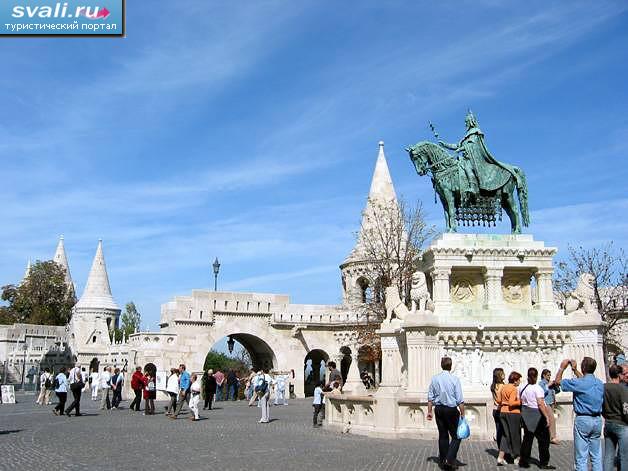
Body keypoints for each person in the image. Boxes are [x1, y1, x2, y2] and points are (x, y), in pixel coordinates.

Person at [554, 357, 604, 471]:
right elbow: (585, 380)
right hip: (597, 420)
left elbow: (558, 382)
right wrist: (575, 370)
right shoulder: (599, 383)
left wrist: (562, 367)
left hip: (583, 419)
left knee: (581, 457)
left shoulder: (579, 383)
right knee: (596, 456)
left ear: (584, 367)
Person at [427, 357, 464, 471]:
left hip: (439, 409)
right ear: (451, 366)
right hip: (451, 410)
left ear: (441, 365)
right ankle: (449, 458)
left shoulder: (435, 379)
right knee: (456, 436)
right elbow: (459, 399)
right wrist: (462, 413)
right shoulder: (454, 379)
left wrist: (429, 411)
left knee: (443, 435)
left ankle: (443, 461)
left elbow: (430, 397)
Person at [518, 368, 554, 469]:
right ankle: (544, 462)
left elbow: (520, 400)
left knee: (527, 439)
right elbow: (540, 404)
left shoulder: (522, 387)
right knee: (544, 440)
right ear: (537, 376)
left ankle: (524, 461)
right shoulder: (538, 388)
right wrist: (546, 417)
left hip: (526, 414)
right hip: (537, 414)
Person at [603, 364, 628, 471]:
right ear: (619, 375)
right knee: (624, 456)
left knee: (608, 455)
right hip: (621, 424)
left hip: (608, 423)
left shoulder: (603, 387)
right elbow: (626, 409)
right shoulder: (622, 389)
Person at [497, 371, 522, 466]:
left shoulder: (503, 387)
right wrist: (520, 401)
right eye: (519, 380)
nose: (519, 382)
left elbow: (499, 400)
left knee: (505, 435)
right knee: (515, 435)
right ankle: (517, 457)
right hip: (512, 413)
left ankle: (500, 457)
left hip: (502, 412)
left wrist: (504, 402)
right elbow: (511, 403)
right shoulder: (513, 389)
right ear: (515, 381)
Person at [539, 369, 560, 444]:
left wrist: (556, 385)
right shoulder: (541, 383)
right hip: (546, 403)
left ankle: (548, 436)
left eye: (550, 375)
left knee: (549, 420)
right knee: (552, 419)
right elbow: (541, 392)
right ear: (544, 375)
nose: (549, 376)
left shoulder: (549, 382)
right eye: (548, 375)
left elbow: (557, 391)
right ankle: (552, 437)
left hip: (551, 403)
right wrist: (548, 386)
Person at [490, 368, 506, 464]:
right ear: (499, 375)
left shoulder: (493, 386)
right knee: (503, 432)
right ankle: (502, 453)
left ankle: (501, 450)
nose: (504, 374)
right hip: (501, 410)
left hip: (495, 410)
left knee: (499, 432)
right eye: (502, 373)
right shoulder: (501, 386)